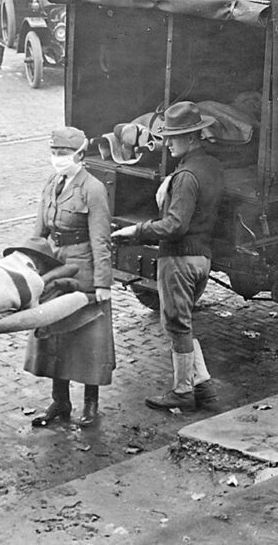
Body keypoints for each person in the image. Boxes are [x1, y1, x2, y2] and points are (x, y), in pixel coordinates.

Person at [111, 101, 222, 412]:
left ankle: (182, 391)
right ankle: (205, 389)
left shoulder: (186, 176)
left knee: (176, 326)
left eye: (172, 137)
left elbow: (175, 225)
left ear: (190, 138)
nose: (167, 142)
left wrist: (136, 232)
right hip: (201, 258)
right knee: (183, 324)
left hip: (179, 261)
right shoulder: (211, 166)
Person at [26, 127, 115, 428]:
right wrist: (27, 263)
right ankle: (60, 401)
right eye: (53, 153)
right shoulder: (52, 183)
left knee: (88, 338)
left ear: (79, 155)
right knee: (55, 334)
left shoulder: (93, 189)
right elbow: (39, 232)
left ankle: (90, 403)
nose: (57, 159)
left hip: (82, 269)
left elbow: (101, 239)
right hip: (55, 264)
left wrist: (102, 283)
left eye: (63, 154)